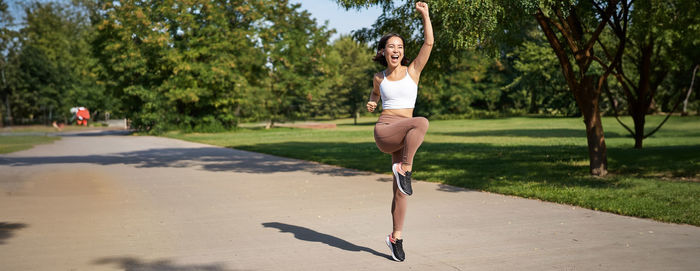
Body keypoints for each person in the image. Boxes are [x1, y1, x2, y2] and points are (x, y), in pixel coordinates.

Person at [366, 1, 433, 262]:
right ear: (383, 51)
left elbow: (427, 44)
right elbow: (374, 95)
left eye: (400, 47)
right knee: (422, 122)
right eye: (391, 46)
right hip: (385, 131)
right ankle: (405, 168)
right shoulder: (379, 77)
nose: (396, 50)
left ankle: (396, 237)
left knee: (400, 192)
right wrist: (372, 102)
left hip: (403, 135)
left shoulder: (413, 71)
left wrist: (425, 15)